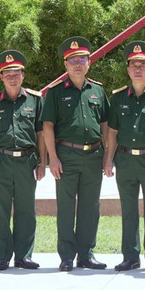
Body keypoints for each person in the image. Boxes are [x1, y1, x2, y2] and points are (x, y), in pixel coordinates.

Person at [41, 37, 111, 271]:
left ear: (89, 62)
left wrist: (106, 154)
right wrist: (52, 158)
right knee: (66, 207)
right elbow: (48, 126)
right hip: (66, 156)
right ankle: (67, 256)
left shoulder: (98, 90)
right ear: (65, 64)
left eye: (82, 59)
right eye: (73, 60)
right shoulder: (56, 92)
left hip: (93, 155)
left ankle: (86, 254)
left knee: (90, 207)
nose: (77, 64)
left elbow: (105, 124)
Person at [0, 50, 46, 270]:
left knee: (26, 210)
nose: (12, 78)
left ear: (23, 75)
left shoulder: (35, 100)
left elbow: (41, 134)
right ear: (1, 77)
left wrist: (43, 162)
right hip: (0, 161)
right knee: (1, 210)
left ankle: (24, 256)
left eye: (16, 73)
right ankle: (2, 256)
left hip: (27, 161)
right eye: (7, 74)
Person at [104, 41, 145, 272]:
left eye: (143, 65)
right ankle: (130, 257)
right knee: (128, 209)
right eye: (134, 65)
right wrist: (108, 159)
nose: (138, 69)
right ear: (128, 69)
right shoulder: (119, 97)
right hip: (125, 160)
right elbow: (113, 131)